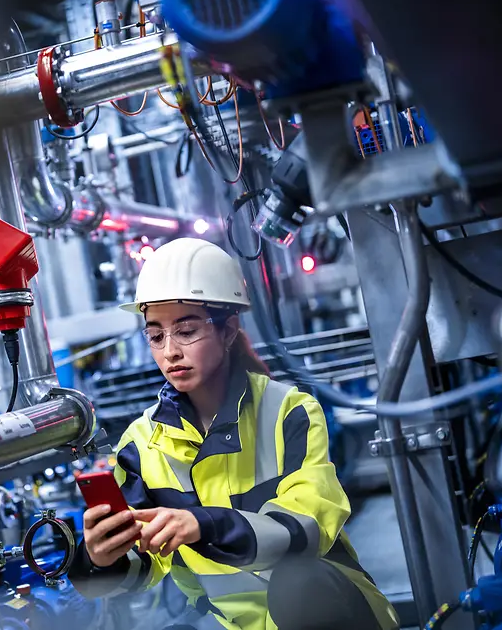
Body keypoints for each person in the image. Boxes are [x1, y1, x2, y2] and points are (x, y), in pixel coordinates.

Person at [69, 238, 398, 630]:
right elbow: (145, 564)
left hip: (326, 611)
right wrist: (102, 558)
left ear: (228, 332)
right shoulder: (141, 446)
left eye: (186, 330)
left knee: (298, 585)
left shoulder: (288, 412)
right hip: (230, 623)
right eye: (156, 336)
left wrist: (203, 524)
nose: (170, 351)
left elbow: (304, 529)